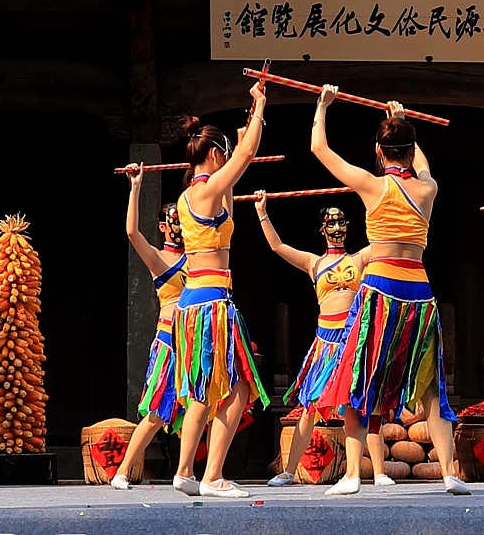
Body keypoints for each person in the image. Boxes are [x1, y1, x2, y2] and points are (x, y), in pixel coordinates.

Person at [311, 86, 469, 496]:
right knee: (432, 386)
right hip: (418, 292)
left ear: (380, 153)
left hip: (380, 291)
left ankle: (350, 477)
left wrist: (323, 106)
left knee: (359, 379)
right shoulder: (427, 191)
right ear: (410, 149)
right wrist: (403, 126)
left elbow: (319, 149)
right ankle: (450, 473)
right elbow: (425, 169)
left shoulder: (371, 185)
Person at [172, 81, 271, 499]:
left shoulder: (189, 197)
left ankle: (183, 472)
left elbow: (232, 189)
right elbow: (247, 156)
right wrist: (262, 107)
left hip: (194, 299)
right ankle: (211, 476)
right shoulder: (208, 190)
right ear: (215, 155)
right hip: (212, 301)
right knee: (238, 387)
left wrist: (250, 122)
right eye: (223, 155)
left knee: (203, 388)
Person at [255, 199, 393, 487]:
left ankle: (379, 472)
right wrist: (262, 212)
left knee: (364, 406)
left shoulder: (359, 258)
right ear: (322, 229)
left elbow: (385, 240)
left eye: (342, 221)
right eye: (331, 223)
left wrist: (382, 200)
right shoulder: (313, 262)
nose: (337, 227)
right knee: (309, 408)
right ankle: (288, 471)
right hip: (325, 343)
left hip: (352, 341)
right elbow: (278, 247)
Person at [111, 165, 190, 490]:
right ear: (163, 226)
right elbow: (132, 233)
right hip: (171, 341)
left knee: (201, 409)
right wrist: (136, 187)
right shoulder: (160, 259)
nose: (182, 227)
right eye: (175, 221)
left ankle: (189, 473)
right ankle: (122, 471)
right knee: (158, 413)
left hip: (196, 339)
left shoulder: (199, 258)